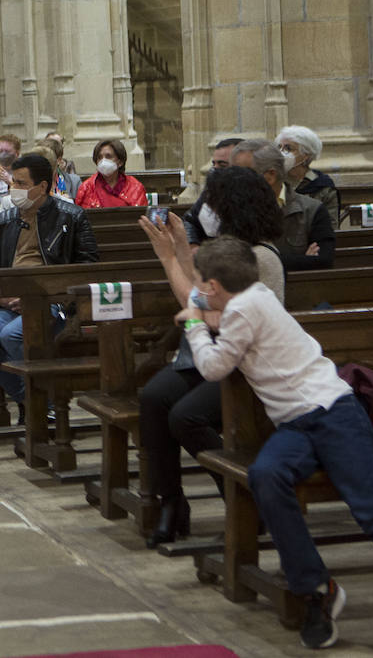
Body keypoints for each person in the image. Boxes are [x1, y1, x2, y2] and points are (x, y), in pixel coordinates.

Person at [176, 237, 373, 656]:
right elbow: (231, 325)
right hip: (298, 425)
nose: (197, 287)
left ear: (215, 286)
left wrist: (194, 324)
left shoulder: (242, 308)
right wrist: (205, 312)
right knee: (266, 475)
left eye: (201, 281)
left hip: (336, 417)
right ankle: (317, 588)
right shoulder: (254, 296)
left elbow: (214, 366)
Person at [137, 165, 285, 548]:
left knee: (185, 416)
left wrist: (169, 259)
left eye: (214, 202)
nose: (207, 209)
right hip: (215, 355)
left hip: (245, 367)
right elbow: (202, 292)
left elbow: (204, 310)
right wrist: (181, 250)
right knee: (153, 398)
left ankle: (245, 499)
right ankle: (172, 503)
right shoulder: (230, 251)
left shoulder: (260, 258)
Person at [0, 152, 97, 412]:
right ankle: (36, 402)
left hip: (54, 303)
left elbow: (87, 267)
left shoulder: (71, 217)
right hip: (10, 302)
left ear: (43, 187)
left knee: (12, 335)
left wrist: (49, 297)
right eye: (13, 182)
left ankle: (40, 408)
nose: (14, 189)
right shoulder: (2, 221)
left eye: (21, 184)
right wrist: (0, 295)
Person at [233, 139, 335, 269]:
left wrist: (259, 262)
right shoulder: (232, 208)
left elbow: (323, 261)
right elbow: (231, 263)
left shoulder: (312, 210)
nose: (233, 180)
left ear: (270, 176)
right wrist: (302, 261)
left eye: (241, 174)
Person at [182, 137, 244, 243]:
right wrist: (192, 243)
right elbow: (190, 219)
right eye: (213, 164)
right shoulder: (211, 192)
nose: (215, 170)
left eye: (222, 165)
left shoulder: (253, 194)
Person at [276, 125, 341, 224]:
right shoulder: (274, 181)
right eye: (279, 147)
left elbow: (331, 226)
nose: (281, 153)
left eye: (288, 148)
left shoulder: (322, 186)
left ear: (305, 155)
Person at [75, 139, 148, 208]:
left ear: (120, 162)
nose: (103, 161)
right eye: (100, 157)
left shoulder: (135, 187)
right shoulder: (86, 187)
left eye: (108, 156)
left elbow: (141, 216)